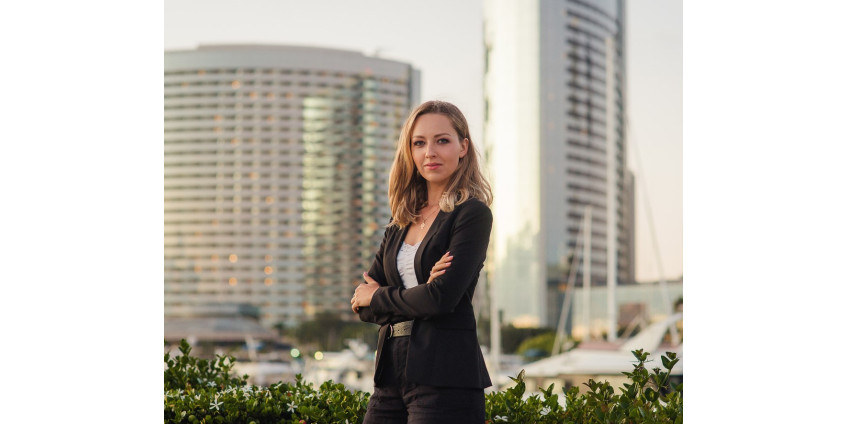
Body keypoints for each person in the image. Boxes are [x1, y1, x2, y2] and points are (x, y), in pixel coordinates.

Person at [350, 100, 494, 423]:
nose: (430, 152)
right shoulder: (400, 220)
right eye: (419, 143)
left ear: (463, 147)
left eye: (442, 140)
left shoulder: (472, 214)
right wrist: (417, 294)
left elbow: (440, 299)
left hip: (445, 375)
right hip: (390, 375)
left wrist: (380, 296)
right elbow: (362, 306)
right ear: (410, 152)